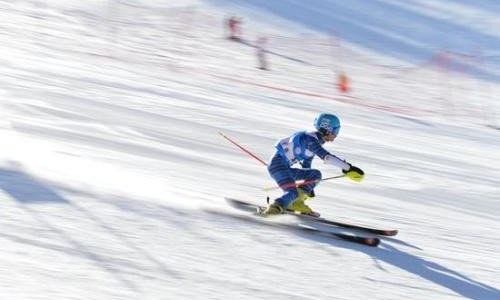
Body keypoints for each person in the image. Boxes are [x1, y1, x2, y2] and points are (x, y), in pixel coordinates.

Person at [261, 113, 364, 216]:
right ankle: (274, 209)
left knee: (315, 175)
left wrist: (307, 187)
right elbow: (326, 157)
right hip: (278, 167)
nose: (336, 135)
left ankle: (297, 202)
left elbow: (307, 165)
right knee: (292, 193)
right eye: (335, 131)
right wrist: (348, 168)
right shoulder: (311, 140)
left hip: (284, 168)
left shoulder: (313, 139)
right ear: (327, 129)